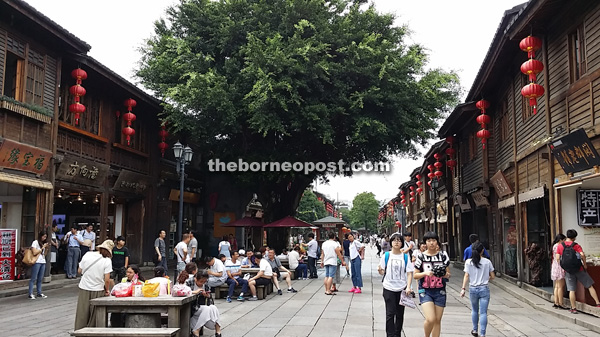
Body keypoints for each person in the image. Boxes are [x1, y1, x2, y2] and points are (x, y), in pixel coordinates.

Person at [414, 232, 450, 337]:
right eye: (429, 241)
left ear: (437, 242)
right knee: (431, 318)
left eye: (433, 240)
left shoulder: (443, 256)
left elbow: (448, 274)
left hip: (440, 290)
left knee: (437, 320)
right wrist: (425, 273)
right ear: (425, 243)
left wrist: (444, 275)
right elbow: (415, 275)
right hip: (425, 290)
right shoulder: (421, 257)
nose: (431, 243)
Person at [377, 232, 414, 337]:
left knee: (400, 314)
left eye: (399, 240)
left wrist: (408, 287)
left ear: (402, 243)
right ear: (391, 242)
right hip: (388, 287)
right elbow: (382, 271)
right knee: (390, 313)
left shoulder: (405, 257)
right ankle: (390, 334)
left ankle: (397, 334)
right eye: (394, 240)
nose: (396, 242)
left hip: (402, 288)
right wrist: (380, 270)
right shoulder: (386, 255)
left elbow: (409, 273)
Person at [556, 229, 600, 313]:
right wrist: (584, 264)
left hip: (568, 271)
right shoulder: (576, 245)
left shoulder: (560, 246)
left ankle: (573, 308)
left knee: (572, 289)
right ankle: (597, 303)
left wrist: (564, 266)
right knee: (589, 286)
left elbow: (558, 258)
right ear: (574, 238)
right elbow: (582, 255)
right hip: (579, 269)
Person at [74, 240, 113, 330]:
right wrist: (107, 290)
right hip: (98, 288)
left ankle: (79, 330)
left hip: (84, 286)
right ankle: (92, 330)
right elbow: (107, 279)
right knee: (95, 313)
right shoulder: (107, 261)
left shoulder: (88, 254)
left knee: (82, 311)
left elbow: (79, 270)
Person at [460, 242, 495, 337]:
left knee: (474, 310)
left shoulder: (468, 262)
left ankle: (475, 329)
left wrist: (463, 288)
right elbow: (493, 276)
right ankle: (482, 334)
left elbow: (466, 275)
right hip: (484, 288)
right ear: (482, 250)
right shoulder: (487, 262)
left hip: (473, 289)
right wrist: (487, 278)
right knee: (483, 312)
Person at [191, 270, 222, 337]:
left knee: (213, 307)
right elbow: (184, 291)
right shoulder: (189, 282)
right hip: (193, 308)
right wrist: (195, 292)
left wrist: (207, 296)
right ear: (196, 278)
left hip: (203, 307)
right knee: (206, 309)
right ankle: (196, 330)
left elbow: (209, 296)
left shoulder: (206, 284)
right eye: (201, 281)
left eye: (204, 282)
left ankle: (218, 331)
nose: (202, 284)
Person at [28, 231, 49, 299]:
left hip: (43, 261)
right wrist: (42, 247)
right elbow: (34, 252)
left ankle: (39, 292)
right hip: (36, 261)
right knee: (34, 278)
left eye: (45, 237)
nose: (44, 238)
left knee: (40, 278)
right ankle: (30, 293)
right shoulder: (35, 242)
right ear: (40, 236)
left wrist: (46, 248)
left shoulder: (43, 243)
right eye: (43, 236)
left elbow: (44, 254)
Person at [551, 233, 567, 309]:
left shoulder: (554, 246)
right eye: (564, 240)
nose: (564, 241)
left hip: (554, 266)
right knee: (561, 286)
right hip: (559, 266)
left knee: (557, 286)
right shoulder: (560, 246)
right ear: (561, 240)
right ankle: (561, 303)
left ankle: (556, 302)